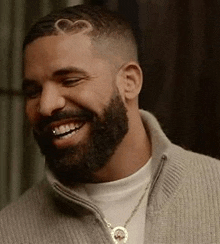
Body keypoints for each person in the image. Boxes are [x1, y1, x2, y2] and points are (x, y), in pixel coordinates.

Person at [0, 4, 220, 244]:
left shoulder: (214, 190)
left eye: (70, 80)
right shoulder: (10, 231)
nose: (45, 105)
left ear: (129, 82)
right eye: (33, 92)